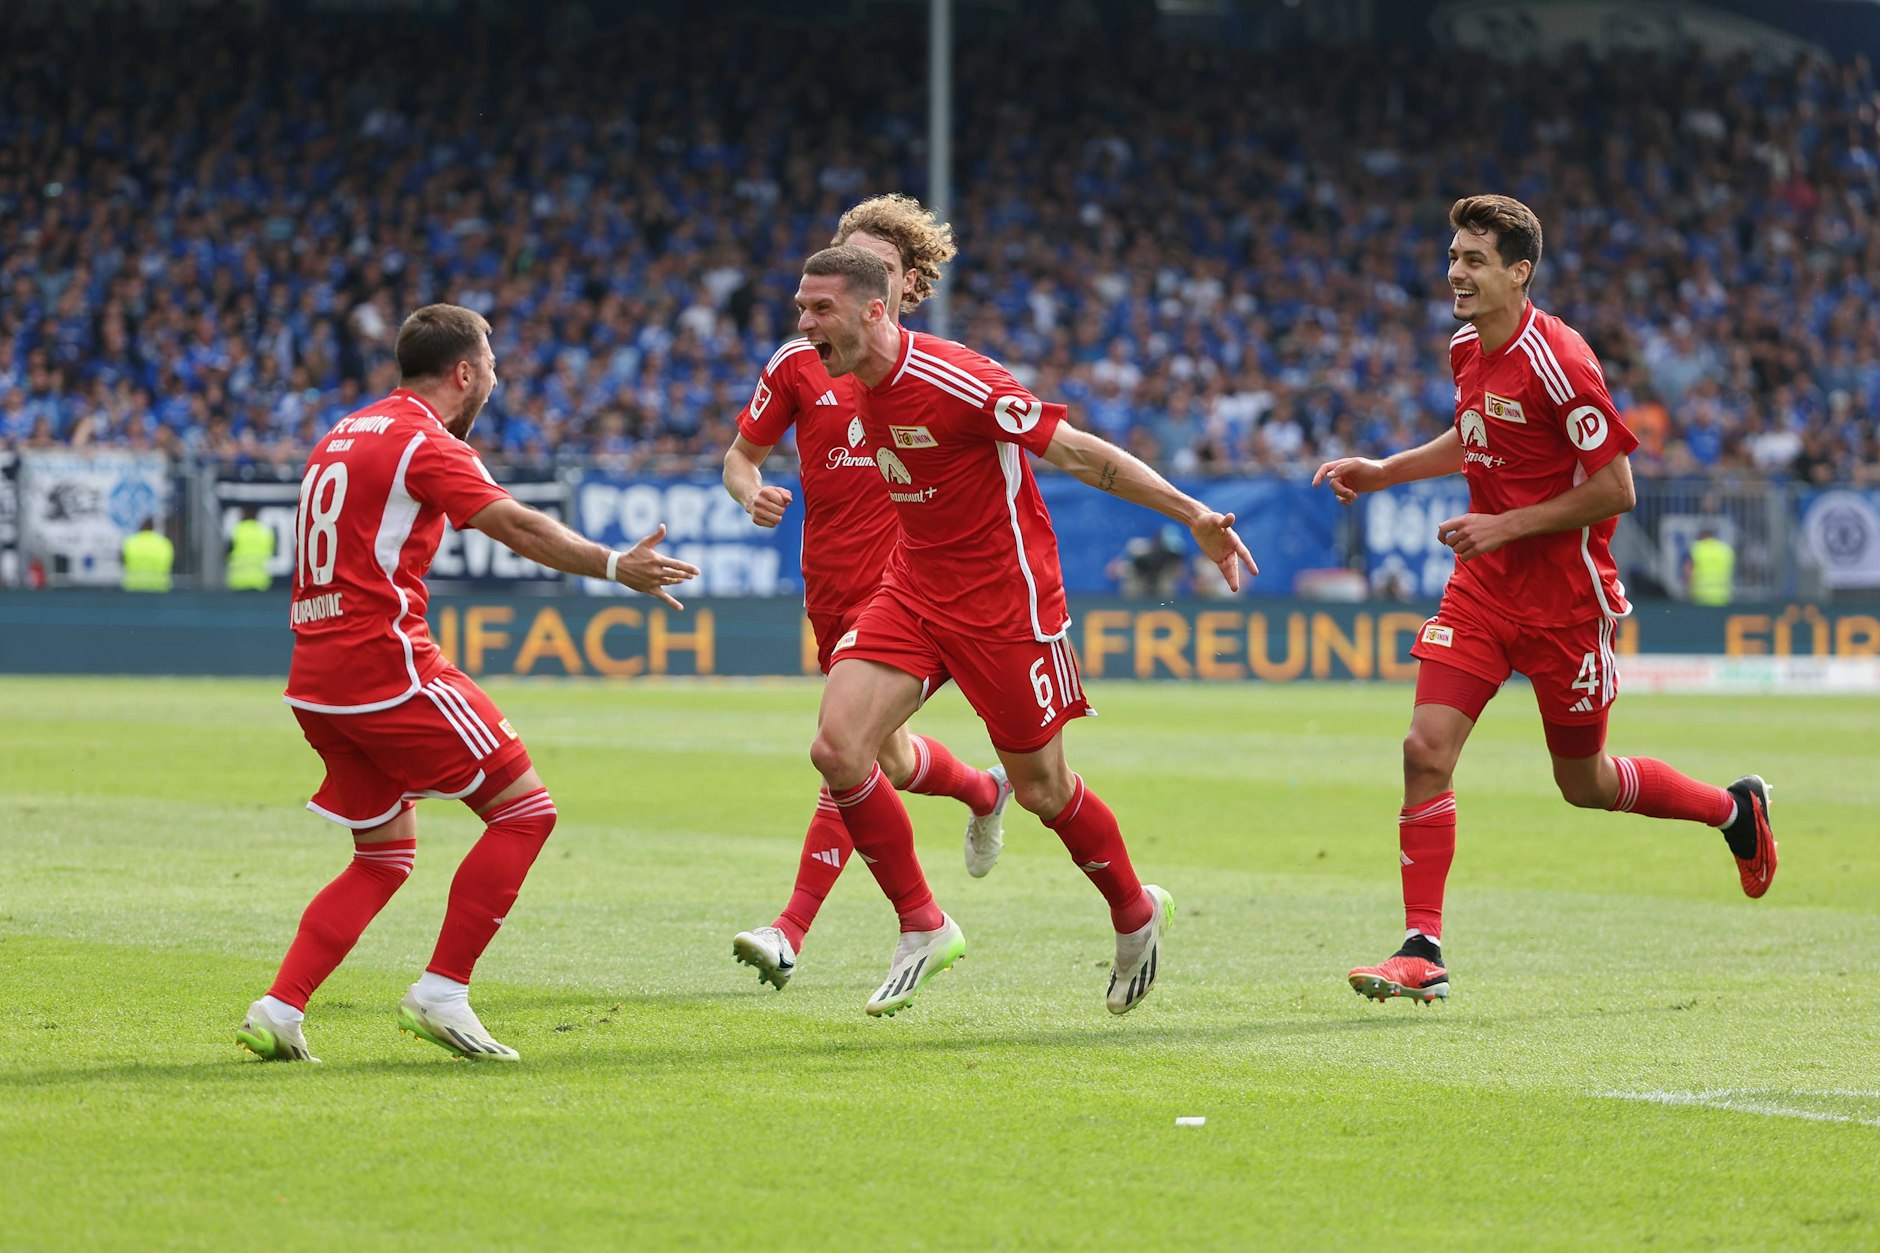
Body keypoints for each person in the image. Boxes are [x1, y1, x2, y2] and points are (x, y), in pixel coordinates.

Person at [1311, 195, 1777, 1006]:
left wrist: (1507, 523)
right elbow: (1477, 433)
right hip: (1484, 592)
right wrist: (1384, 469)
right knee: (1425, 749)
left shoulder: (1561, 360)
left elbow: (1617, 487)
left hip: (1566, 604)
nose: (1457, 271)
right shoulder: (1466, 347)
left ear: (1519, 272)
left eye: (1475, 260)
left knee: (1585, 783)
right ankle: (1423, 945)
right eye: (1455, 256)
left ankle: (1732, 809)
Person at [794, 245, 1256, 1017]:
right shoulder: (852, 379)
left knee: (1044, 788)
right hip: (912, 590)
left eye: (820, 311)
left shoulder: (955, 379)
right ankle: (923, 923)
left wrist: (1193, 514)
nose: (805, 326)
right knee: (838, 747)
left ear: (875, 311)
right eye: (801, 308)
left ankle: (1135, 910)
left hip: (1006, 607)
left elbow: (1081, 455)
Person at [236, 304, 698, 1063]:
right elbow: (514, 525)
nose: (496, 378)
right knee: (527, 811)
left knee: (383, 857)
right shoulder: (425, 438)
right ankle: (442, 990)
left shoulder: (342, 432)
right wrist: (617, 565)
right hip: (386, 665)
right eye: (491, 365)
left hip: (316, 676)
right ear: (464, 373)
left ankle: (279, 1007)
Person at [721, 196, 1011, 992]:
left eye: (876, 266)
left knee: (839, 747)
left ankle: (794, 928)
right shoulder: (797, 363)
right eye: (843, 257)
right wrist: (748, 493)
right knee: (878, 756)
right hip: (832, 584)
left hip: (909, 591)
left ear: (903, 285)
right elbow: (739, 457)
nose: (851, 279)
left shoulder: (936, 371)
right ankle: (984, 788)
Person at [226, 506, 275, 591]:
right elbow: (271, 552)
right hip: (260, 582)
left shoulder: (236, 530)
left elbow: (226, 553)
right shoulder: (265, 532)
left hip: (238, 581)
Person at [1685, 524, 1735, 606]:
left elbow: (1688, 570)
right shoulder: (1726, 549)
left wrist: (1688, 590)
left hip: (1701, 595)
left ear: (1702, 536)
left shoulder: (1697, 548)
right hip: (1722, 595)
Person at [121, 515, 173, 592]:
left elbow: (122, 562)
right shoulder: (164, 543)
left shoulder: (131, 542)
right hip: (159, 589)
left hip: (134, 588)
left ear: (141, 527)